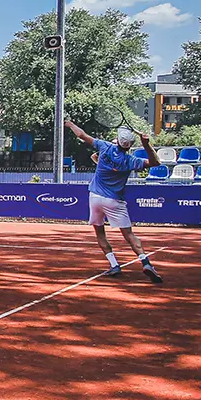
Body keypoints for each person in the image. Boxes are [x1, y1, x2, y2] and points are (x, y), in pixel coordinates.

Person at [65, 120, 161, 281]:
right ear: (129, 146)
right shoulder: (131, 160)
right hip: (115, 200)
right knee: (129, 235)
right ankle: (145, 262)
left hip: (95, 198)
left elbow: (81, 135)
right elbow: (156, 162)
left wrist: (70, 124)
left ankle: (114, 265)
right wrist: (146, 144)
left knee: (100, 233)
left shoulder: (105, 147)